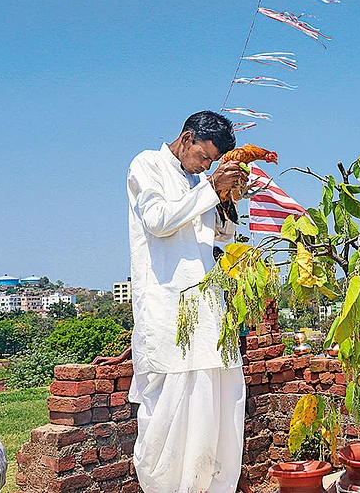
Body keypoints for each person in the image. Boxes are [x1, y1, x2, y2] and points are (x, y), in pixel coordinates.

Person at [123, 110, 249, 493]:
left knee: (219, 396)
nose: (206, 164)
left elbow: (223, 237)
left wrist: (226, 197)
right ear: (187, 137)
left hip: (207, 306)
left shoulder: (199, 182)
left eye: (212, 161)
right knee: (169, 405)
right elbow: (159, 220)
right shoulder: (148, 165)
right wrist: (211, 185)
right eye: (205, 156)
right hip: (165, 305)